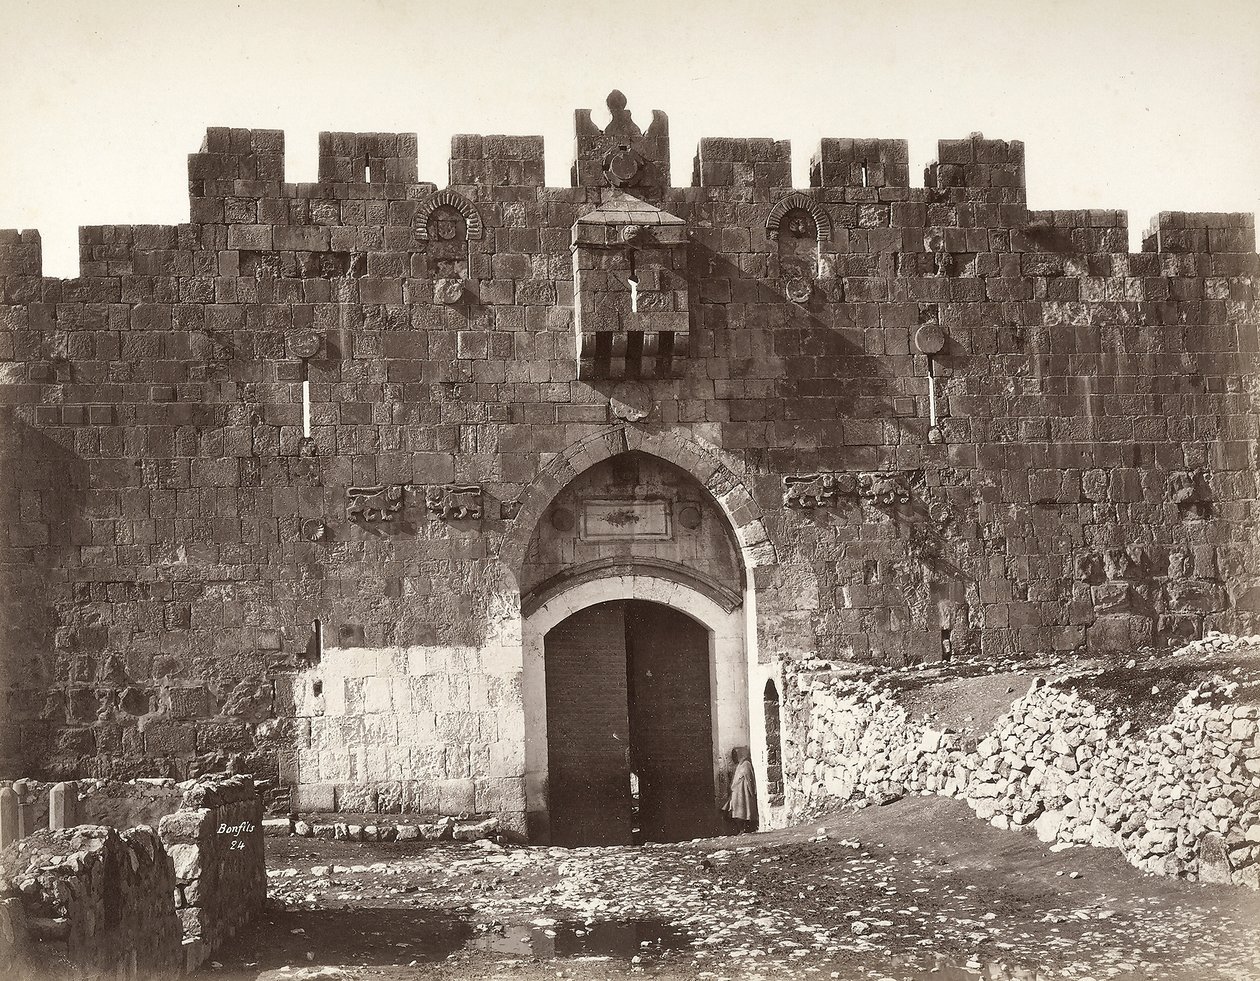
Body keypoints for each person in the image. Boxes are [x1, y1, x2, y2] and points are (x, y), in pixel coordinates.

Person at [723, 747, 757, 834]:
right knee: (736, 811)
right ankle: (741, 829)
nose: (734, 758)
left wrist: (752, 792)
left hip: (743, 793)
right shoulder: (739, 765)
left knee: (744, 811)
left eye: (735, 755)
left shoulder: (746, 764)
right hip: (737, 793)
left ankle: (744, 829)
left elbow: (749, 778)